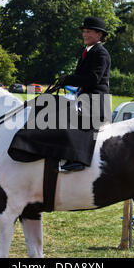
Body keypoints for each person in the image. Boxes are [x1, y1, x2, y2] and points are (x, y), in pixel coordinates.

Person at [57, 16, 111, 171]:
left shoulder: (101, 53)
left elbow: (93, 79)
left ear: (99, 35)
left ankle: (79, 159)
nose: (85, 34)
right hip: (84, 98)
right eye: (84, 32)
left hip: (95, 100)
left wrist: (69, 79)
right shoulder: (87, 52)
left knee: (72, 119)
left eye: (88, 32)